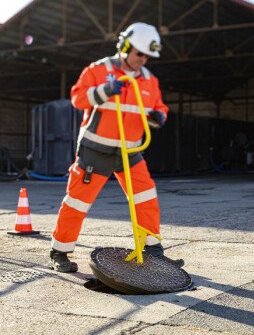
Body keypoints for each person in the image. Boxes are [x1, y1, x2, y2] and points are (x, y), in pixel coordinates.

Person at [48, 22, 184, 273]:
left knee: (146, 197)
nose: (142, 60)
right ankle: (60, 252)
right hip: (96, 150)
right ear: (125, 46)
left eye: (147, 56)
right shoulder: (99, 70)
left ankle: (152, 250)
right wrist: (104, 90)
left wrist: (160, 116)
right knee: (78, 202)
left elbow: (160, 107)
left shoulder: (149, 81)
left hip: (130, 152)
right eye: (139, 53)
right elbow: (78, 98)